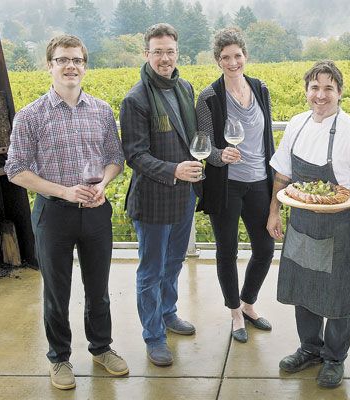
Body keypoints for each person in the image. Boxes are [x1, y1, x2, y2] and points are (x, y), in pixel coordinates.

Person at [5, 34, 128, 390]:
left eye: (77, 60)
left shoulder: (102, 110)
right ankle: (59, 358)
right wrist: (64, 191)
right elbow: (16, 169)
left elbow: (115, 159)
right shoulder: (30, 116)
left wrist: (102, 186)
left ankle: (101, 348)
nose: (70, 66)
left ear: (84, 66)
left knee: (98, 288)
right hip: (53, 214)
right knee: (57, 291)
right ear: (50, 66)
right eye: (63, 60)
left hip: (95, 212)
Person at [267, 60, 350, 388]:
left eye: (328, 87)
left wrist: (337, 203)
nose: (321, 94)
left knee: (338, 294)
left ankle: (334, 358)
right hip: (300, 223)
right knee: (304, 288)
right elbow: (283, 175)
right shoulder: (297, 125)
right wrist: (274, 211)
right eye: (315, 87)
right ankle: (310, 348)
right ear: (306, 92)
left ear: (340, 93)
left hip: (338, 227)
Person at [120, 23, 203, 367]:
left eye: (170, 51)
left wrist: (210, 155)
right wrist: (174, 170)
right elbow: (135, 155)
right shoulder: (135, 99)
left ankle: (168, 314)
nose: (164, 58)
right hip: (154, 199)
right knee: (151, 271)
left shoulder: (185, 86)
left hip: (184, 196)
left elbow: (192, 138)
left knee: (174, 262)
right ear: (146, 54)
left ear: (177, 52)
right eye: (158, 52)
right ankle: (154, 336)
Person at [196, 27, 276, 343]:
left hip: (259, 182)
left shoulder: (261, 89)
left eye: (237, 56)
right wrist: (220, 154)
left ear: (246, 56)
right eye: (225, 57)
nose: (232, 62)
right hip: (227, 186)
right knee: (226, 251)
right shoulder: (209, 97)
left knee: (265, 248)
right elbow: (202, 146)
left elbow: (267, 137)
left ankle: (249, 303)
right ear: (218, 60)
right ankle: (234, 313)